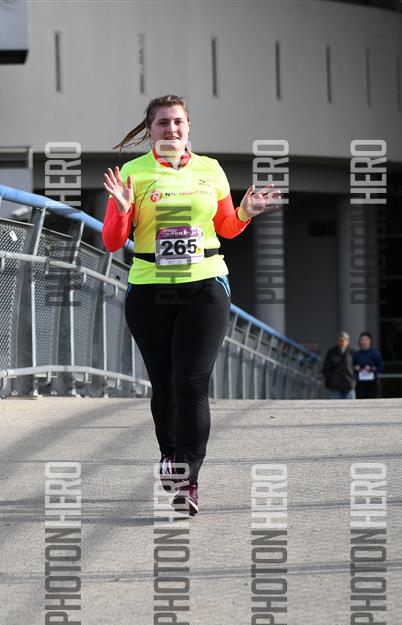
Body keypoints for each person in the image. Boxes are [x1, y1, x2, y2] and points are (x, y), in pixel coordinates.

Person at [102, 94, 281, 516]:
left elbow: (227, 228)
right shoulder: (133, 173)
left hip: (205, 285)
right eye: (163, 123)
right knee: (165, 386)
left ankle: (188, 478)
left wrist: (246, 212)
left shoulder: (210, 169)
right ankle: (170, 453)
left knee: (191, 383)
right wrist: (123, 211)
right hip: (150, 288)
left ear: (188, 127)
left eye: (178, 122)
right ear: (150, 130)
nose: (172, 129)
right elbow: (112, 241)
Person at [322, 331, 356, 399]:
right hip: (335, 386)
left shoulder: (352, 352)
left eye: (343, 340)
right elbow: (325, 368)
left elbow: (356, 367)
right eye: (340, 340)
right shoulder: (331, 352)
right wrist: (330, 379)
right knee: (335, 405)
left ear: (348, 341)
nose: (342, 342)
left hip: (349, 385)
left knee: (351, 405)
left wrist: (354, 380)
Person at [353, 332, 384, 399]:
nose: (364, 342)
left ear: (370, 341)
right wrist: (355, 368)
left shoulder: (375, 353)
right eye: (362, 340)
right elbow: (352, 367)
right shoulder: (356, 354)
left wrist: (371, 368)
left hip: (372, 384)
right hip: (360, 384)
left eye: (366, 340)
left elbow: (381, 367)